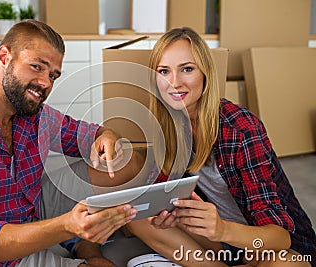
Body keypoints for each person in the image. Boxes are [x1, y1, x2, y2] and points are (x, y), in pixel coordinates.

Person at [0, 20, 138, 267]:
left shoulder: (33, 114)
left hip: (28, 209)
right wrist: (65, 226)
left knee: (126, 162)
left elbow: (90, 135)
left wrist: (105, 135)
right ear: (4, 56)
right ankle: (78, 244)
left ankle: (80, 245)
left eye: (53, 75)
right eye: (37, 67)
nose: (46, 83)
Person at [123, 27, 316, 266]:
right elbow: (164, 191)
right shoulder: (169, 127)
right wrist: (167, 214)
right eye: (164, 71)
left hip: (262, 244)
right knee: (136, 218)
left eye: (187, 69)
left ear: (205, 73)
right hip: (222, 242)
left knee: (286, 264)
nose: (174, 82)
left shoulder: (241, 128)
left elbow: (281, 238)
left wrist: (222, 229)